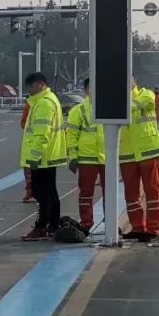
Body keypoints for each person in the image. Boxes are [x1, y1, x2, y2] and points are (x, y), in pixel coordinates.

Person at [20, 72, 68, 240]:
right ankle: (52, 225)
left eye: (32, 87)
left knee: (41, 194)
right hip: (49, 155)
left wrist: (34, 156)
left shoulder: (44, 104)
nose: (30, 91)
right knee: (50, 192)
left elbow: (42, 133)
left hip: (42, 157)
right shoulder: (49, 100)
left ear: (41, 84)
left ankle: (42, 226)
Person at [118, 77, 159, 241]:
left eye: (128, 80)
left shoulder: (146, 94)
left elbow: (137, 104)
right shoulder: (117, 99)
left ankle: (153, 229)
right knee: (131, 194)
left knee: (152, 190)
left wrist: (118, 106)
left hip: (148, 150)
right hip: (127, 153)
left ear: (135, 82)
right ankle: (137, 227)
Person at [65, 78, 105, 232]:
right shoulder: (78, 110)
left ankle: (111, 224)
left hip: (108, 158)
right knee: (86, 194)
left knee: (110, 193)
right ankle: (86, 223)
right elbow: (72, 135)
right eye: (91, 88)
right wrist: (73, 157)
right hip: (87, 158)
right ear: (86, 90)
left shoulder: (110, 107)